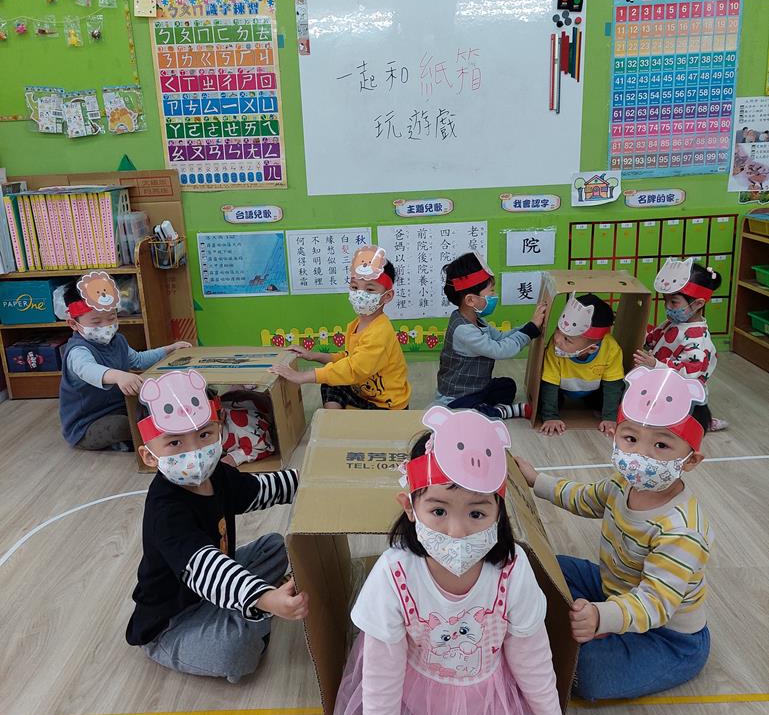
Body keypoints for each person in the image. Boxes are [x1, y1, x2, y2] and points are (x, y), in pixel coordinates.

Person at [328, 406, 596, 715]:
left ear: (499, 512)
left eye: (476, 513)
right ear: (409, 506)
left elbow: (532, 658)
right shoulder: (395, 573)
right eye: (438, 511)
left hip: (484, 698)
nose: (457, 531)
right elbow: (381, 676)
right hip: (413, 698)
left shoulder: (512, 569)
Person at [515, 366, 713, 702]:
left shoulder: (682, 529)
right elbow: (586, 497)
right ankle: (597, 625)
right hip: (615, 588)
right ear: (615, 433)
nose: (640, 455)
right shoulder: (623, 483)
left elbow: (655, 604)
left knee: (587, 674)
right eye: (630, 439)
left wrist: (600, 617)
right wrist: (537, 481)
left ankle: (600, 631)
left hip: (667, 636)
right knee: (545, 566)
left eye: (661, 445)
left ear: (690, 460)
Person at [125, 369, 308, 682]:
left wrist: (306, 482)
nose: (194, 452)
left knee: (275, 546)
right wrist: (265, 599)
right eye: (175, 442)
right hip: (174, 621)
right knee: (236, 652)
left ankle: (245, 607)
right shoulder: (165, 511)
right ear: (150, 455)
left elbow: (261, 490)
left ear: (219, 429)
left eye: (204, 435)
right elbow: (205, 568)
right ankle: (251, 611)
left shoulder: (217, 475)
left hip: (216, 580)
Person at [59, 272, 191, 451]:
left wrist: (169, 349)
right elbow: (87, 369)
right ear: (74, 324)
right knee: (124, 426)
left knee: (157, 408)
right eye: (96, 322)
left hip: (123, 407)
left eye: (111, 318)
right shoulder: (78, 351)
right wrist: (118, 376)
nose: (105, 326)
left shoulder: (118, 340)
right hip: (87, 425)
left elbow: (138, 360)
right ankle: (137, 444)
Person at [273, 245, 410, 410]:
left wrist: (303, 376)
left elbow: (353, 369)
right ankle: (335, 419)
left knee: (331, 376)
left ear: (387, 296)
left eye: (370, 289)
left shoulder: (380, 332)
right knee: (331, 383)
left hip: (387, 406)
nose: (360, 294)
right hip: (364, 395)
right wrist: (312, 355)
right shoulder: (356, 324)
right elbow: (348, 357)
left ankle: (339, 421)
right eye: (355, 287)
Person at [436, 251, 546, 419]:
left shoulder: (476, 318)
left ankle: (490, 407)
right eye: (491, 292)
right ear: (470, 300)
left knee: (507, 385)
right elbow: (500, 349)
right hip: (457, 396)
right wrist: (530, 330)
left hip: (478, 387)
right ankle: (502, 411)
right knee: (471, 415)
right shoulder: (463, 330)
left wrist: (530, 325)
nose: (494, 296)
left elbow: (500, 337)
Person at [635, 258, 725, 431]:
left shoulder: (698, 339)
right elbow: (655, 338)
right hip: (664, 382)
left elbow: (689, 372)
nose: (667, 306)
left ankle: (703, 422)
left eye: (674, 302)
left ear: (698, 303)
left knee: (679, 423)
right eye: (665, 300)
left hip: (684, 392)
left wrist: (655, 364)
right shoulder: (674, 323)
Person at [539, 293, 624, 437]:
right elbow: (550, 384)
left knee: (614, 399)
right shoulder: (554, 348)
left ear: (591, 349)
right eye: (558, 329)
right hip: (561, 389)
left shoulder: (611, 348)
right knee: (545, 402)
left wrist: (610, 418)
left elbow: (613, 385)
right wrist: (550, 416)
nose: (557, 340)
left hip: (594, 389)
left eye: (567, 339)